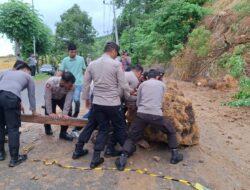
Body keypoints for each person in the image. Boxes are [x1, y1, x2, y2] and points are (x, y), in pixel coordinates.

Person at [115, 69, 183, 171]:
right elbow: (162, 100)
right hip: (156, 115)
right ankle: (175, 155)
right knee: (170, 130)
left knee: (132, 136)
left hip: (141, 114)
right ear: (157, 77)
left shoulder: (142, 84)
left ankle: (122, 160)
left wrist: (142, 108)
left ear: (147, 77)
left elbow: (138, 101)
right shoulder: (162, 85)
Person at [79, 42, 130, 168]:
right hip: (113, 103)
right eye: (116, 54)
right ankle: (126, 151)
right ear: (112, 51)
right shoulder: (116, 64)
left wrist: (86, 98)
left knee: (103, 128)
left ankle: (95, 158)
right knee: (119, 127)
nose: (116, 56)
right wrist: (128, 97)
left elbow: (85, 84)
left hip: (98, 103)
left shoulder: (92, 64)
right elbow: (123, 84)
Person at [0, 62, 38, 167]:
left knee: (0, 127)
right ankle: (14, 158)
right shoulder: (28, 77)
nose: (29, 74)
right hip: (11, 99)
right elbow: (31, 95)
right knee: (13, 129)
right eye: (29, 72)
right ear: (25, 70)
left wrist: (18, 102)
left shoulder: (7, 73)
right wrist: (33, 111)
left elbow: (5, 89)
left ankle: (1, 154)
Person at [58, 43, 86, 138]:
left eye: (74, 51)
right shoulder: (65, 60)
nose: (73, 53)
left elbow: (84, 70)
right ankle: (69, 116)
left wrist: (85, 81)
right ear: (68, 51)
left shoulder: (81, 59)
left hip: (78, 83)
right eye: (71, 52)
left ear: (76, 51)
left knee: (77, 100)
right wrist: (57, 79)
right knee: (68, 101)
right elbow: (61, 71)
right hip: (68, 84)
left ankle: (76, 113)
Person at [44, 72, 76, 141]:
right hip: (51, 98)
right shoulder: (50, 82)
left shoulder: (72, 86)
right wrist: (50, 112)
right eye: (69, 85)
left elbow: (68, 100)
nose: (71, 86)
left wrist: (65, 113)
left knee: (68, 113)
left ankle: (63, 133)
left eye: (71, 85)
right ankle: (47, 127)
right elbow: (47, 98)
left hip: (62, 97)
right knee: (48, 113)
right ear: (63, 81)